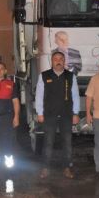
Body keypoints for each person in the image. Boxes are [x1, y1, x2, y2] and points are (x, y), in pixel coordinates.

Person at [35, 51, 80, 179]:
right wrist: (40, 112)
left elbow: (75, 96)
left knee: (67, 143)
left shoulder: (71, 76)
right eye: (56, 59)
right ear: (52, 61)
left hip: (66, 114)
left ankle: (67, 168)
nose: (58, 61)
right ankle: (45, 168)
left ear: (64, 61)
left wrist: (75, 113)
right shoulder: (44, 76)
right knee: (48, 143)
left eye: (61, 59)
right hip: (49, 115)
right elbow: (39, 96)